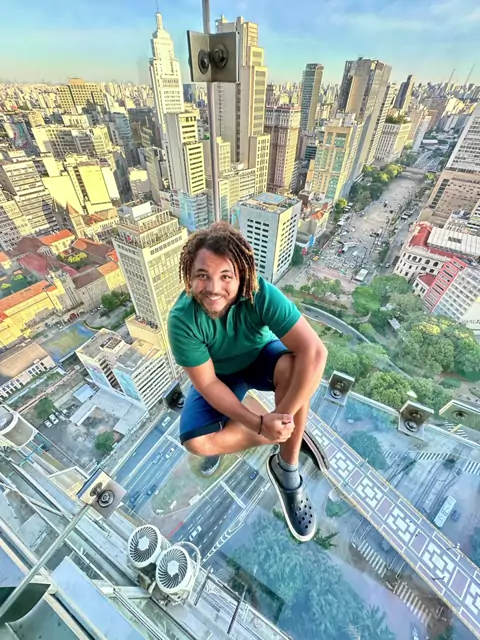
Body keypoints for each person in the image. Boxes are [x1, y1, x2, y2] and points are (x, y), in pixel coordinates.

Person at [168, 222, 328, 542]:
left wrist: (281, 416)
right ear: (189, 277)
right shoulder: (182, 320)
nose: (214, 288)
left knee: (295, 368)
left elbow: (314, 351)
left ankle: (287, 466)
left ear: (241, 275)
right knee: (196, 442)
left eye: (226, 276)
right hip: (220, 376)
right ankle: (286, 431)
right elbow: (208, 384)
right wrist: (260, 424)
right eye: (203, 275)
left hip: (261, 358)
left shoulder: (260, 293)